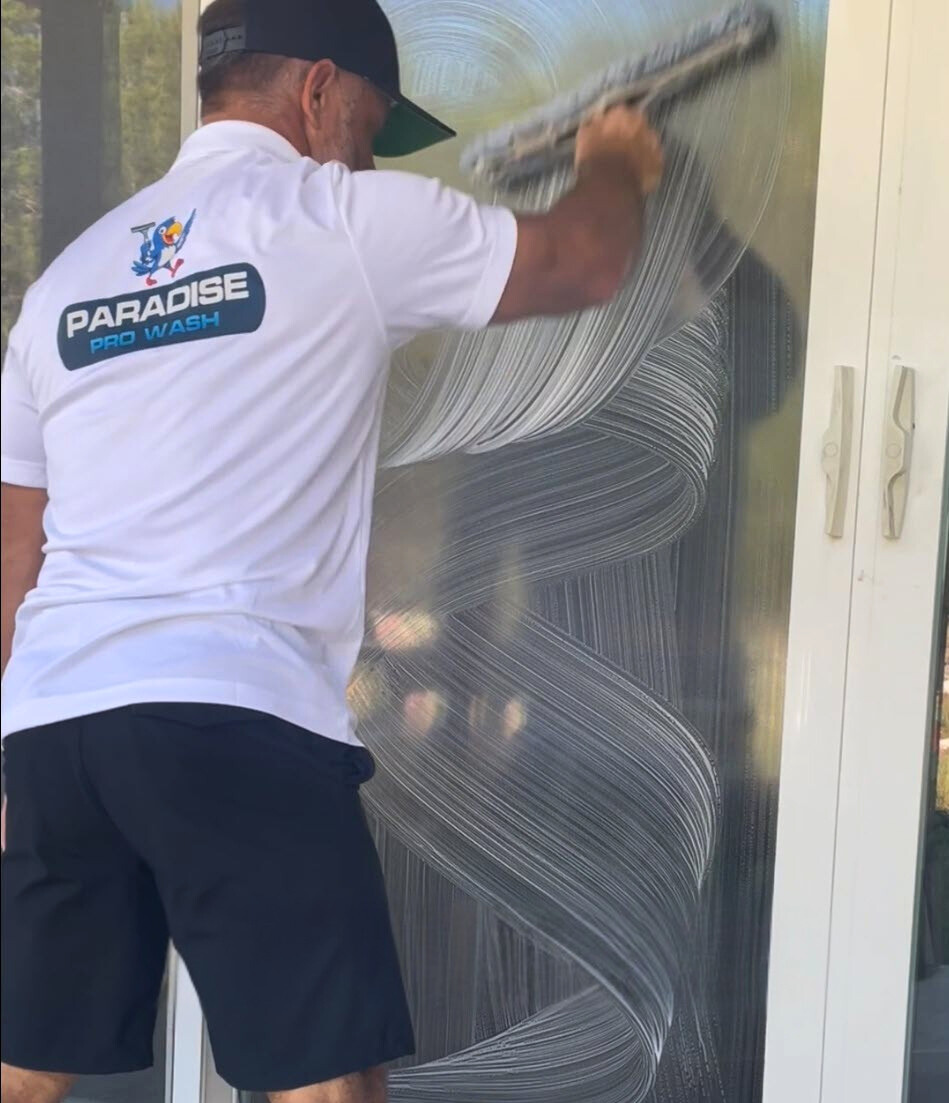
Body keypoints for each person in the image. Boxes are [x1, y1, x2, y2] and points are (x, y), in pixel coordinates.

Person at [0, 0, 663, 1100]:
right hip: (232, 710)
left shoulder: (62, 286)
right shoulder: (338, 219)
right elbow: (584, 264)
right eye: (368, 121)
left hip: (59, 725)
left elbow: (16, 543)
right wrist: (613, 158)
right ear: (316, 91)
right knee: (325, 1081)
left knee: (26, 1068)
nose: (364, 150)